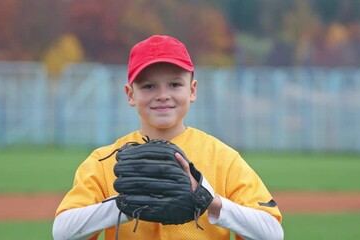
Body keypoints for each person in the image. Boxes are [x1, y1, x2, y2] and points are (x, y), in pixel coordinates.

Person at [52, 35, 284, 240]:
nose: (163, 95)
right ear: (130, 94)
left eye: (174, 84)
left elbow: (272, 233)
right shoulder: (105, 161)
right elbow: (62, 232)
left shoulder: (222, 158)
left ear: (192, 90)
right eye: (149, 86)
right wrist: (123, 205)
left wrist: (210, 201)